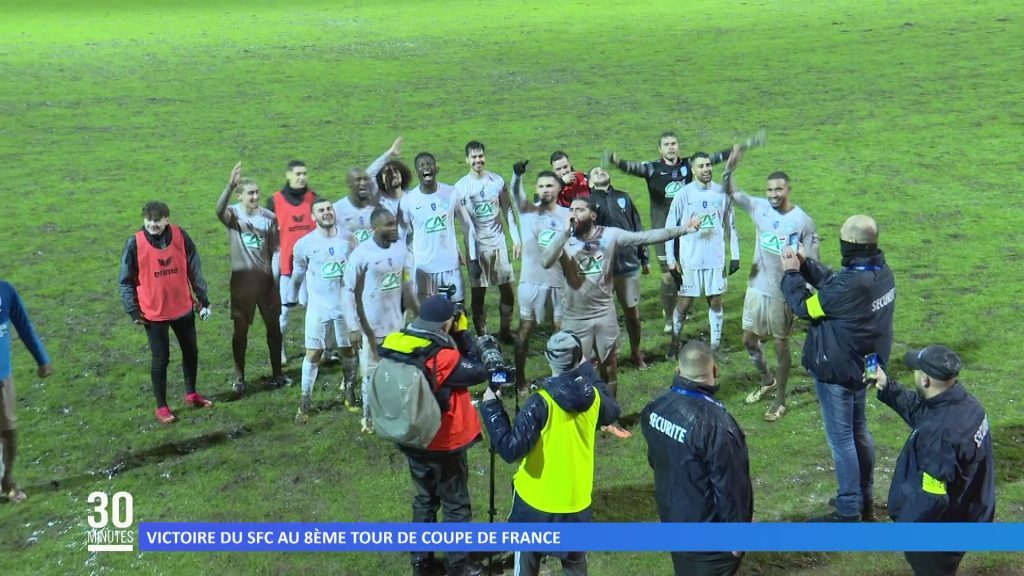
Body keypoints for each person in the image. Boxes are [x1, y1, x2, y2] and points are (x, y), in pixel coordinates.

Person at [542, 197, 701, 438]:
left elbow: (645, 236)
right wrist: (564, 235)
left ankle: (610, 418)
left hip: (604, 313)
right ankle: (580, 418)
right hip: (575, 317)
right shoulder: (564, 239)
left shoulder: (610, 235)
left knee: (610, 367)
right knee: (578, 370)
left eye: (580, 209)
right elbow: (545, 261)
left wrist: (684, 229)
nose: (574, 214)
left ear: (593, 215)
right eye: (571, 209)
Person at [780, 214, 895, 521]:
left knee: (842, 437)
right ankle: (865, 499)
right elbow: (835, 285)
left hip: (839, 370)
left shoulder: (850, 286)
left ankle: (848, 508)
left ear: (853, 244)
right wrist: (806, 265)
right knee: (859, 432)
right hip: (866, 364)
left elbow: (806, 307)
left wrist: (791, 274)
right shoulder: (882, 272)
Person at [480, 331, 620, 576]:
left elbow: (510, 449)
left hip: (534, 501)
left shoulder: (541, 403)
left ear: (547, 358)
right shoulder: (594, 395)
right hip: (575, 501)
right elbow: (612, 411)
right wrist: (587, 372)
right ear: (579, 359)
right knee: (576, 566)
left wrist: (492, 406)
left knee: (526, 565)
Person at [380, 296, 488, 576]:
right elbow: (479, 370)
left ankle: (421, 561)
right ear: (446, 322)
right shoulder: (442, 356)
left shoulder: (397, 341)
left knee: (425, 498)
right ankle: (458, 566)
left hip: (411, 434)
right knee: (456, 506)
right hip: (443, 442)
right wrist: (463, 335)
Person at [874, 347, 994, 575]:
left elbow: (932, 498)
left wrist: (905, 530)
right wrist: (887, 386)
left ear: (926, 380)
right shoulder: (967, 406)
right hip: (967, 514)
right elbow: (925, 414)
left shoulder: (940, 435)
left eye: (916, 371)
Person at [721, 152, 819, 421]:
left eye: (778, 189)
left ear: (788, 189)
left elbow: (814, 262)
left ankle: (780, 399)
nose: (773, 194)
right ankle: (767, 380)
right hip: (756, 287)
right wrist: (729, 168)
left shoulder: (802, 221)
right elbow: (730, 192)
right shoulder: (758, 207)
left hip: (782, 293)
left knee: (781, 345)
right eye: (770, 189)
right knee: (748, 340)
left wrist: (808, 291)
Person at [641, 341, 752, 576]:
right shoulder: (717, 425)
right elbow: (731, 487)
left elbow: (656, 460)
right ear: (715, 371)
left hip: (673, 517)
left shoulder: (655, 408)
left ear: (678, 371)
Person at [608, 133, 734, 334]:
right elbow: (633, 168)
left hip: (688, 229)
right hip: (663, 230)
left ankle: (683, 307)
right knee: (667, 274)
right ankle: (669, 317)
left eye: (674, 143)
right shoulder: (652, 169)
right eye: (666, 144)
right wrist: (617, 161)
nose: (671, 147)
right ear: (660, 149)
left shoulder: (688, 165)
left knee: (684, 269)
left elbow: (713, 158)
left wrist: (733, 150)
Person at [118, 201, 214, 424]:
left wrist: (202, 298)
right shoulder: (134, 243)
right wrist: (133, 310)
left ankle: (191, 394)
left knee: (191, 352)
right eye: (149, 220)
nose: (152, 224)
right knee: (161, 359)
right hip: (153, 314)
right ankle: (161, 406)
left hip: (182, 308)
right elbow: (125, 281)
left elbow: (194, 268)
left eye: (157, 220)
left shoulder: (181, 236)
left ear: (166, 219)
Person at [215, 162, 287, 394]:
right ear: (239, 196)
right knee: (241, 331)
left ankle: (278, 374)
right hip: (242, 284)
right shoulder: (233, 214)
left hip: (266, 283)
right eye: (250, 193)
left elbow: (276, 250)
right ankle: (239, 378)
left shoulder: (269, 217)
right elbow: (218, 210)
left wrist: (275, 279)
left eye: (257, 192)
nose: (255, 196)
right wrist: (229, 184)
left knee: (274, 330)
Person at [344, 207, 418, 432]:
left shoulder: (401, 250)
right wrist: (352, 327)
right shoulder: (361, 254)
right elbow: (347, 290)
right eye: (388, 224)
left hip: (396, 324)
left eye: (394, 223)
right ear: (374, 228)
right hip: (370, 327)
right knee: (371, 372)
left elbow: (407, 282)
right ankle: (368, 417)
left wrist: (413, 308)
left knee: (397, 370)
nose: (394, 227)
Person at [286, 198, 358, 421]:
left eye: (329, 209)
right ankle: (305, 403)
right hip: (319, 308)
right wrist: (292, 296)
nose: (327, 213)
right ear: (313, 217)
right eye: (321, 210)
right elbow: (298, 273)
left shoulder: (349, 239)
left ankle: (349, 393)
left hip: (344, 307)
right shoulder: (304, 244)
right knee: (313, 353)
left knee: (348, 351)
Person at [664, 152, 740, 353]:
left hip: (715, 258)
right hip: (691, 259)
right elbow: (670, 227)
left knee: (715, 301)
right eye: (701, 166)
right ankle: (674, 342)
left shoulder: (721, 193)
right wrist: (671, 259)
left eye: (708, 165)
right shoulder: (684, 194)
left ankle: (715, 346)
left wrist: (736, 255)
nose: (706, 169)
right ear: (693, 169)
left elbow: (730, 224)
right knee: (684, 303)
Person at [509, 164, 569, 392]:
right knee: (525, 330)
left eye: (549, 185)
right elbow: (515, 192)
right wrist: (517, 175)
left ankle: (560, 376)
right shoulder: (528, 211)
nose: (545, 189)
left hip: (558, 283)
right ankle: (521, 379)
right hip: (531, 283)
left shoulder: (566, 214)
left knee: (561, 332)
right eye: (541, 186)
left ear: (558, 189)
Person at [455, 141, 520, 341]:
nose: (478, 160)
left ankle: (505, 330)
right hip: (477, 247)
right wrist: (462, 251)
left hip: (498, 243)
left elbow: (508, 210)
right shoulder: (460, 188)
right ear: (467, 160)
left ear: (485, 157)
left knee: (507, 291)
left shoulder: (497, 181)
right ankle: (483, 336)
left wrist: (515, 239)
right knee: (478, 295)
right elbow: (458, 224)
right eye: (473, 157)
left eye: (480, 156)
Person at [588, 165, 650, 369]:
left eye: (602, 170)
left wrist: (644, 257)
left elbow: (636, 226)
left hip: (628, 264)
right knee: (601, 316)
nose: (600, 172)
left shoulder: (624, 196)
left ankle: (635, 352)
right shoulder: (588, 202)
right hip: (601, 269)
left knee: (632, 313)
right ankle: (599, 356)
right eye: (595, 172)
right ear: (589, 183)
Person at [0, 281, 53, 503]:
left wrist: (42, 359)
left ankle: (7, 482)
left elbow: (24, 326)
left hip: (3, 377)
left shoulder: (6, 291)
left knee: (8, 432)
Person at [398, 152, 475, 303]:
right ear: (416, 172)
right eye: (422, 165)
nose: (426, 167)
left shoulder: (452, 193)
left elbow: (467, 225)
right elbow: (399, 237)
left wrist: (473, 257)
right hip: (424, 271)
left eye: (429, 164)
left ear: (436, 169)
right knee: (429, 317)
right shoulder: (408, 201)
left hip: (450, 267)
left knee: (457, 313)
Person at [267, 160, 318, 365]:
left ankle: (319, 346)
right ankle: (279, 349)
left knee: (315, 309)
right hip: (288, 267)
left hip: (312, 267)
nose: (302, 177)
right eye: (297, 173)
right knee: (284, 312)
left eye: (304, 173)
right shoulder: (275, 201)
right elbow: (266, 230)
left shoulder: (313, 199)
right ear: (288, 175)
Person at [368, 137, 412, 216]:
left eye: (395, 171)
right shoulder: (378, 200)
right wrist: (390, 153)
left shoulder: (412, 197)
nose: (393, 174)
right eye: (388, 172)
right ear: (382, 179)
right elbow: (368, 175)